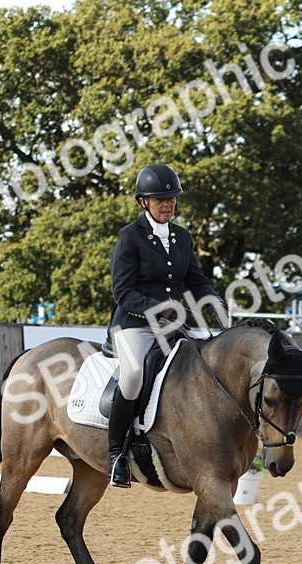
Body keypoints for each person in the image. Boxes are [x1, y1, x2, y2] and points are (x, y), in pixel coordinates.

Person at [105, 163, 228, 488]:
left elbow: (196, 281)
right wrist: (158, 310)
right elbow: (123, 292)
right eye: (160, 199)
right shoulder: (129, 237)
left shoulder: (182, 237)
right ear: (143, 201)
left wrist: (215, 303)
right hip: (133, 325)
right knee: (132, 377)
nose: (168, 204)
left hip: (173, 327)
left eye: (172, 198)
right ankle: (117, 453)